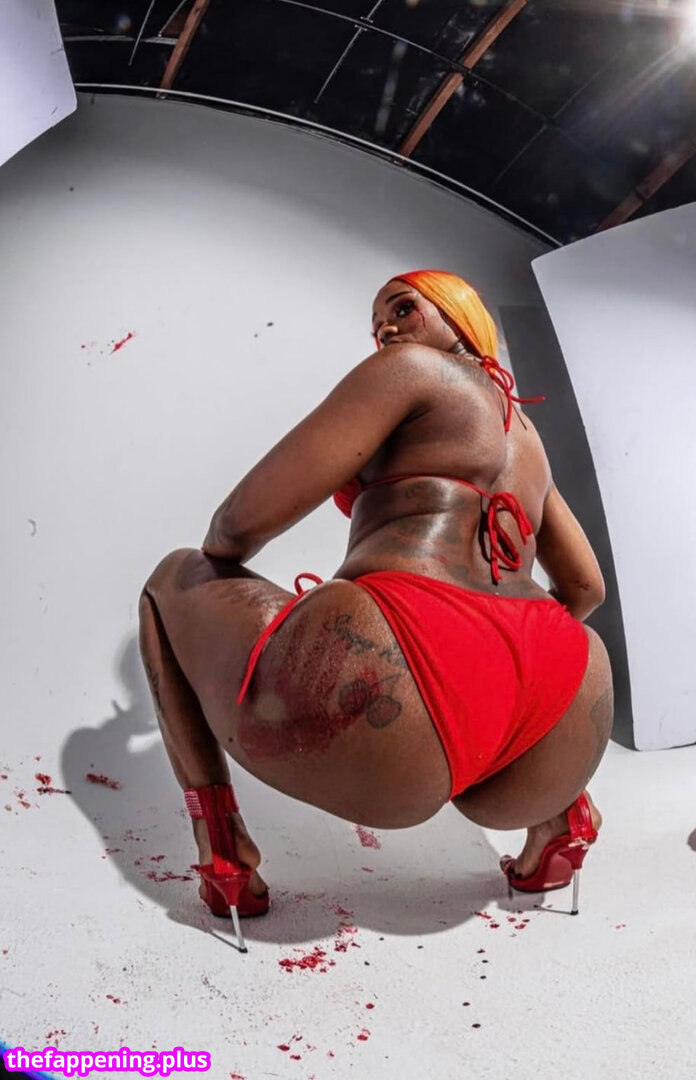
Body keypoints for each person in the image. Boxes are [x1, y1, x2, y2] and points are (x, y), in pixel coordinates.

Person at [139, 270, 613, 950]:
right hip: (561, 688)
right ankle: (560, 816)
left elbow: (240, 523)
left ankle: (223, 854)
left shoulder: (410, 370)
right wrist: (515, 655)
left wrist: (219, 556)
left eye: (403, 307)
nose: (387, 328)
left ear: (459, 317)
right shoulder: (526, 434)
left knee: (168, 580)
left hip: (404, 648)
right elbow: (586, 588)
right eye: (377, 323)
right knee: (520, 650)